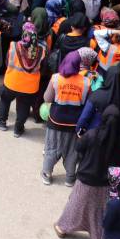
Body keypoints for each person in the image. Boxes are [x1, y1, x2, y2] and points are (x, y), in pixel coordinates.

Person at [54, 105, 120, 239]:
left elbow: (79, 148)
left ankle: (62, 228)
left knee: (76, 204)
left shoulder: (92, 134)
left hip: (86, 177)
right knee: (99, 211)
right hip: (105, 182)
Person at [43, 50, 92, 186]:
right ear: (78, 65)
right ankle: (70, 178)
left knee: (52, 147)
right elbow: (88, 103)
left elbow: (47, 98)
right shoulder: (87, 82)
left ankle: (47, 173)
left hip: (55, 121)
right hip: (75, 124)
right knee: (72, 151)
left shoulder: (56, 78)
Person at [0, 21, 44, 136]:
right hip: (30, 87)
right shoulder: (42, 50)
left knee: (5, 99)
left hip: (12, 82)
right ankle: (18, 129)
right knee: (23, 107)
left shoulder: (13, 46)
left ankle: (2, 122)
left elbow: (7, 61)